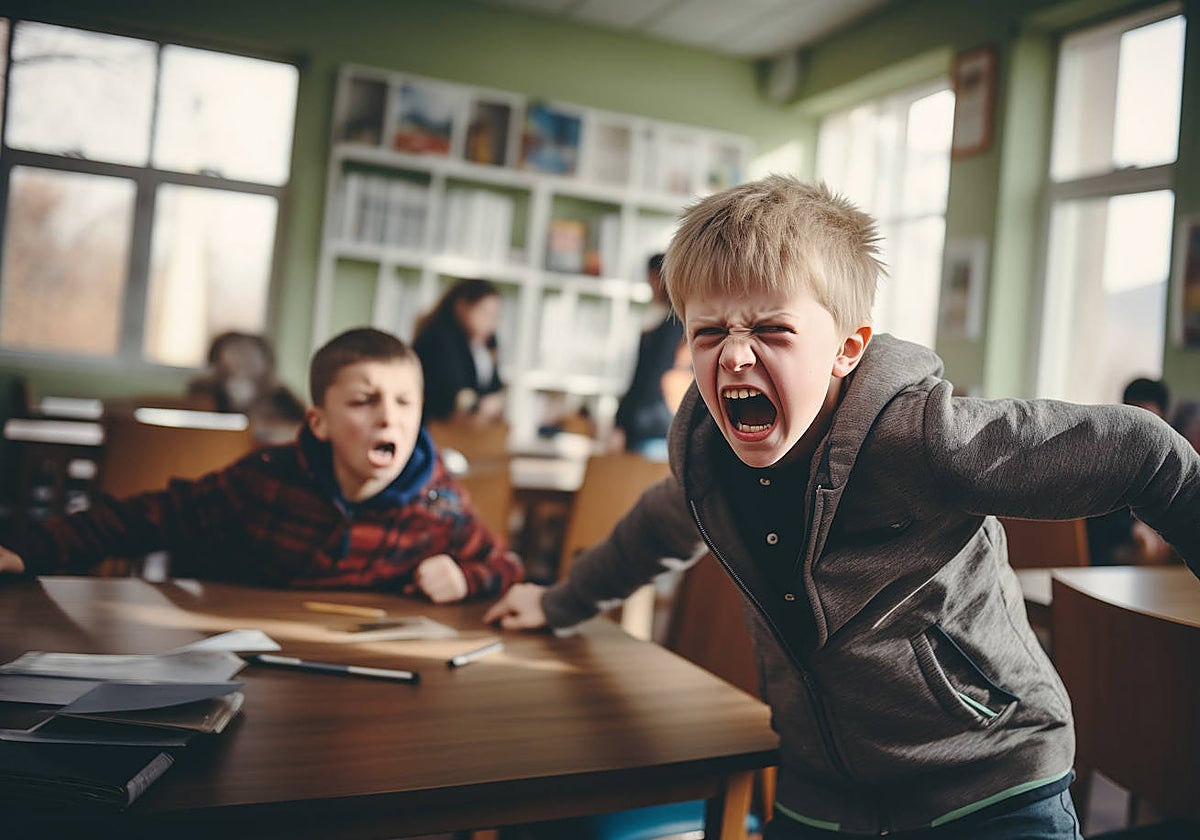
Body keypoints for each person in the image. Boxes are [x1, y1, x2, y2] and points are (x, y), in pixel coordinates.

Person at [484, 175, 1200, 839]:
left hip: (987, 780)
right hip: (824, 792)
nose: (735, 356)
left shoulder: (925, 439)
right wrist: (557, 603)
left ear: (847, 348)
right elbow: (652, 531)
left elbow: (1142, 452)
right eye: (709, 333)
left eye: (771, 330)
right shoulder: (708, 461)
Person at [0, 328, 524, 601]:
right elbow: (149, 515)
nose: (389, 417)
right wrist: (29, 550)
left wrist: (466, 578)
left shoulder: (439, 502)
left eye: (405, 402)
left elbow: (506, 567)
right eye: (364, 401)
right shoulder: (266, 481)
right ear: (318, 422)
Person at [610, 253, 691, 459]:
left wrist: (621, 421)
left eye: (651, 279)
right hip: (658, 422)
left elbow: (648, 378)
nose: (650, 287)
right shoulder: (674, 324)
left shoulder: (672, 327)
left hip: (650, 423)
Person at [1086, 377, 1174, 565]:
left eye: (1148, 424)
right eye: (1132, 420)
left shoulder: (1173, 470)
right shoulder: (1102, 465)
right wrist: (1132, 529)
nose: (1138, 433)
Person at [412, 278, 505, 425]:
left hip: (473, 427)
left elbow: (495, 385)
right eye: (484, 313)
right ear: (462, 307)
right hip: (437, 423)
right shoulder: (439, 338)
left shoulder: (489, 343)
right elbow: (448, 390)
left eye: (495, 315)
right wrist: (479, 405)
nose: (490, 322)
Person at [187, 330, 307, 444]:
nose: (241, 361)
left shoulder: (282, 396)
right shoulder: (204, 393)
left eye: (247, 355)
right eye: (235, 353)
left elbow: (299, 429)